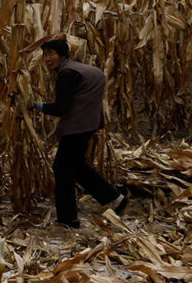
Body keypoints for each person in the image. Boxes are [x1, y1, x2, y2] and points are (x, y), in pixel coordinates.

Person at [31, 39, 126, 229]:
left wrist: (35, 106)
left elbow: (61, 108)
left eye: (51, 54)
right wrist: (97, 125)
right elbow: (95, 99)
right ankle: (114, 198)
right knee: (77, 167)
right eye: (45, 54)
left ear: (63, 55)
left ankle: (68, 220)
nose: (47, 59)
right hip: (87, 125)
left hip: (77, 127)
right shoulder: (85, 70)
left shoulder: (67, 74)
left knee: (62, 169)